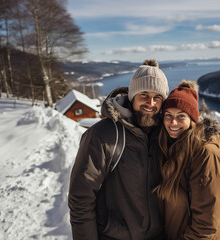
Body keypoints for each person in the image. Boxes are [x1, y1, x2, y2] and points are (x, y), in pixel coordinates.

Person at [68, 59, 169, 240]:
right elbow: (81, 198)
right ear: (132, 96)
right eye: (144, 94)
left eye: (157, 97)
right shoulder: (103, 135)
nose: (150, 103)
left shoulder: (165, 135)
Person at [154, 80, 220, 240]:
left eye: (181, 116)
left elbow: (205, 226)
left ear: (193, 120)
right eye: (168, 115)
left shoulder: (206, 154)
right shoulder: (168, 147)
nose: (173, 122)